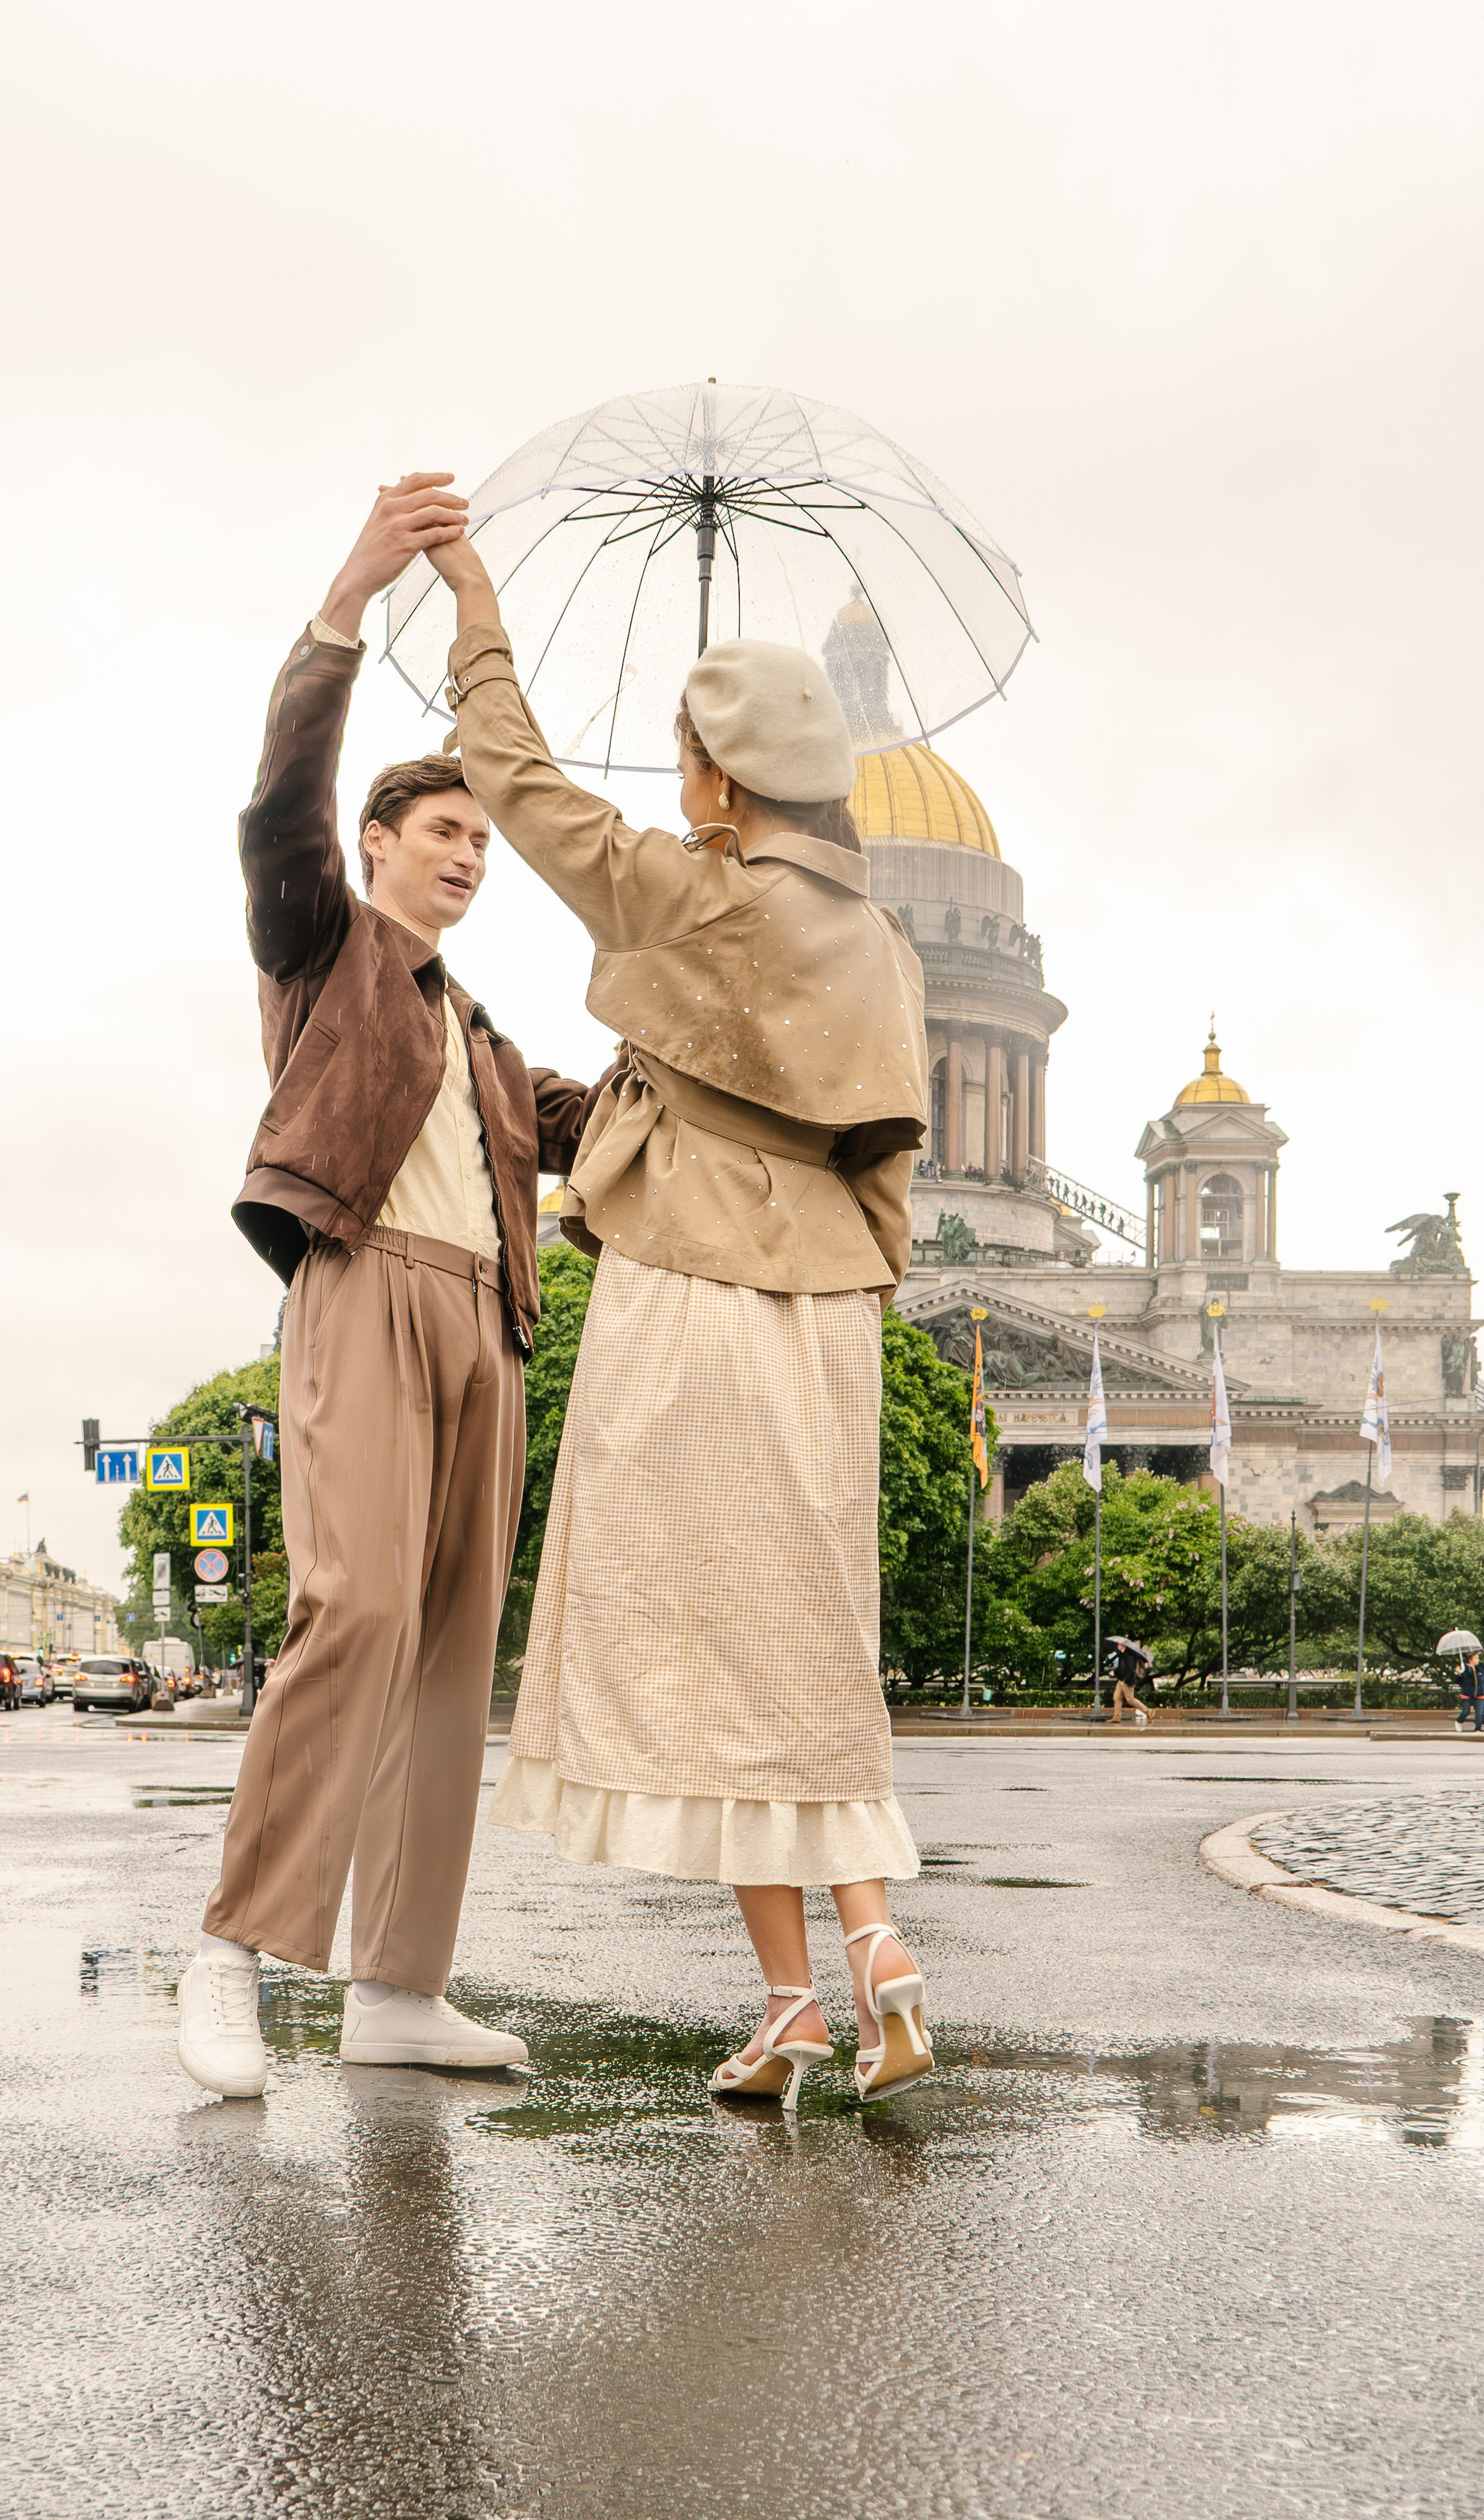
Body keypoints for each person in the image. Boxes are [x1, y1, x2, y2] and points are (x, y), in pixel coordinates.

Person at [429, 525, 935, 2113]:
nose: (671, 781)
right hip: (828, 1318)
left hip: (686, 1296)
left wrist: (477, 609)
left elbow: (509, 778)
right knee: (794, 1639)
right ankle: (814, 1990)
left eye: (682, 756)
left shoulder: (670, 891)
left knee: (707, 1643)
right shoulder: (881, 946)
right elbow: (883, 1166)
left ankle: (840, 1965)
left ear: (718, 775)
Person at [176, 476, 606, 2102]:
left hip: (487, 1329)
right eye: (447, 834)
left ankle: (398, 1989)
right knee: (349, 1607)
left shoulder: (486, 1040)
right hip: (362, 1291)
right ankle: (234, 1954)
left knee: (445, 1647)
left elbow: (607, 1127)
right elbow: (274, 801)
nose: (472, 860)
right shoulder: (323, 944)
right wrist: (350, 598)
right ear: (375, 847)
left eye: (484, 844)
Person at [1109, 1640, 1148, 1726]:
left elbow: (1130, 1669)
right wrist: (1115, 1673)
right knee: (1117, 1697)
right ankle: (1117, 1717)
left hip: (1127, 1681)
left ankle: (1147, 1711)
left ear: (1123, 1645)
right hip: (1121, 1680)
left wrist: (1125, 1680)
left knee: (1130, 1699)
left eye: (1119, 1644)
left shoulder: (1129, 1656)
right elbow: (1121, 1668)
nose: (1118, 1646)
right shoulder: (1122, 1655)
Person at [1454, 1648, 1484, 1732]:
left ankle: (1478, 1728)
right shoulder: (1465, 1669)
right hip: (1467, 1694)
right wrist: (1459, 1674)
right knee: (1466, 1711)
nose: (1478, 1660)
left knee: (1479, 1713)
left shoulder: (1480, 1668)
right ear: (1471, 1659)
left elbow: (1483, 1681)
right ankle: (1459, 1721)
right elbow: (1459, 1681)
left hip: (1480, 1694)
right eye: (1476, 1658)